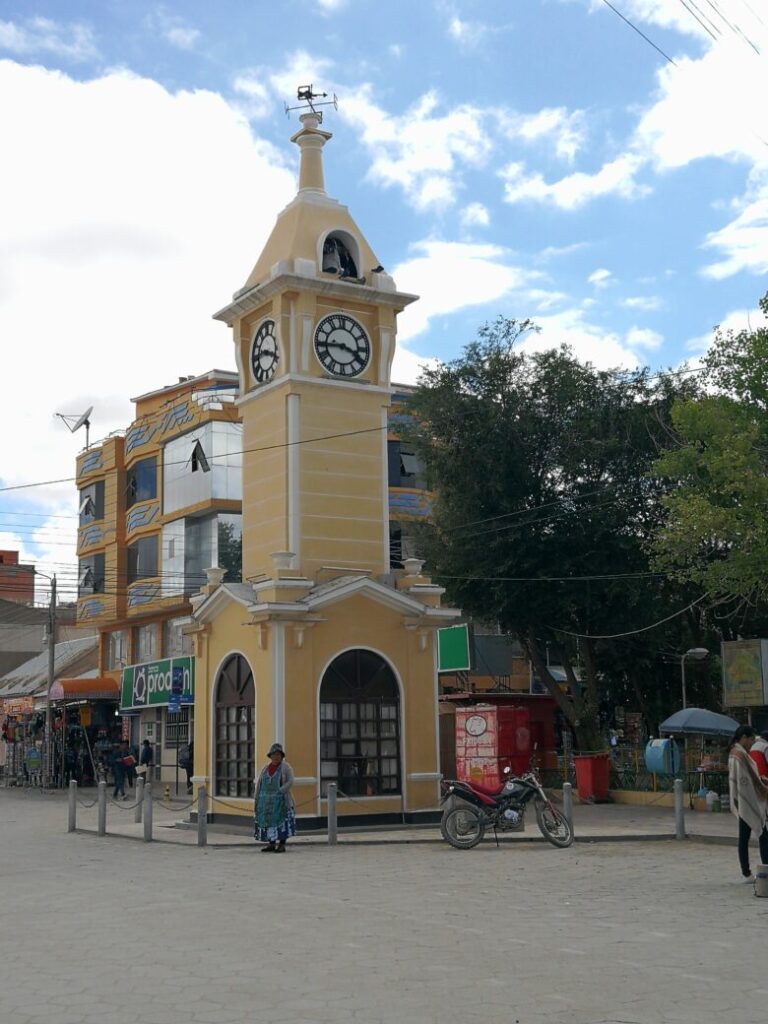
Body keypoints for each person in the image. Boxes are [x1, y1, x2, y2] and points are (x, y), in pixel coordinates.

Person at [728, 725, 768, 882]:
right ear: (744, 737)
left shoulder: (736, 753)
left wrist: (761, 782)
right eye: (751, 740)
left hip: (744, 798)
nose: (752, 743)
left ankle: (747, 872)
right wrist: (762, 787)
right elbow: (747, 779)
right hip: (747, 798)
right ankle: (762, 869)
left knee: (744, 837)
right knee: (762, 834)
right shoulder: (739, 754)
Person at [254, 743, 295, 853]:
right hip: (266, 802)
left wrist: (281, 790)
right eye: (274, 754)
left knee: (282, 823)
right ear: (270, 756)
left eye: (278, 754)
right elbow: (259, 783)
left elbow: (290, 781)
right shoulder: (265, 769)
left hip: (281, 801)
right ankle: (271, 844)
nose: (276, 757)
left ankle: (282, 844)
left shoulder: (286, 767)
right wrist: (257, 798)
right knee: (269, 822)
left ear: (281, 756)